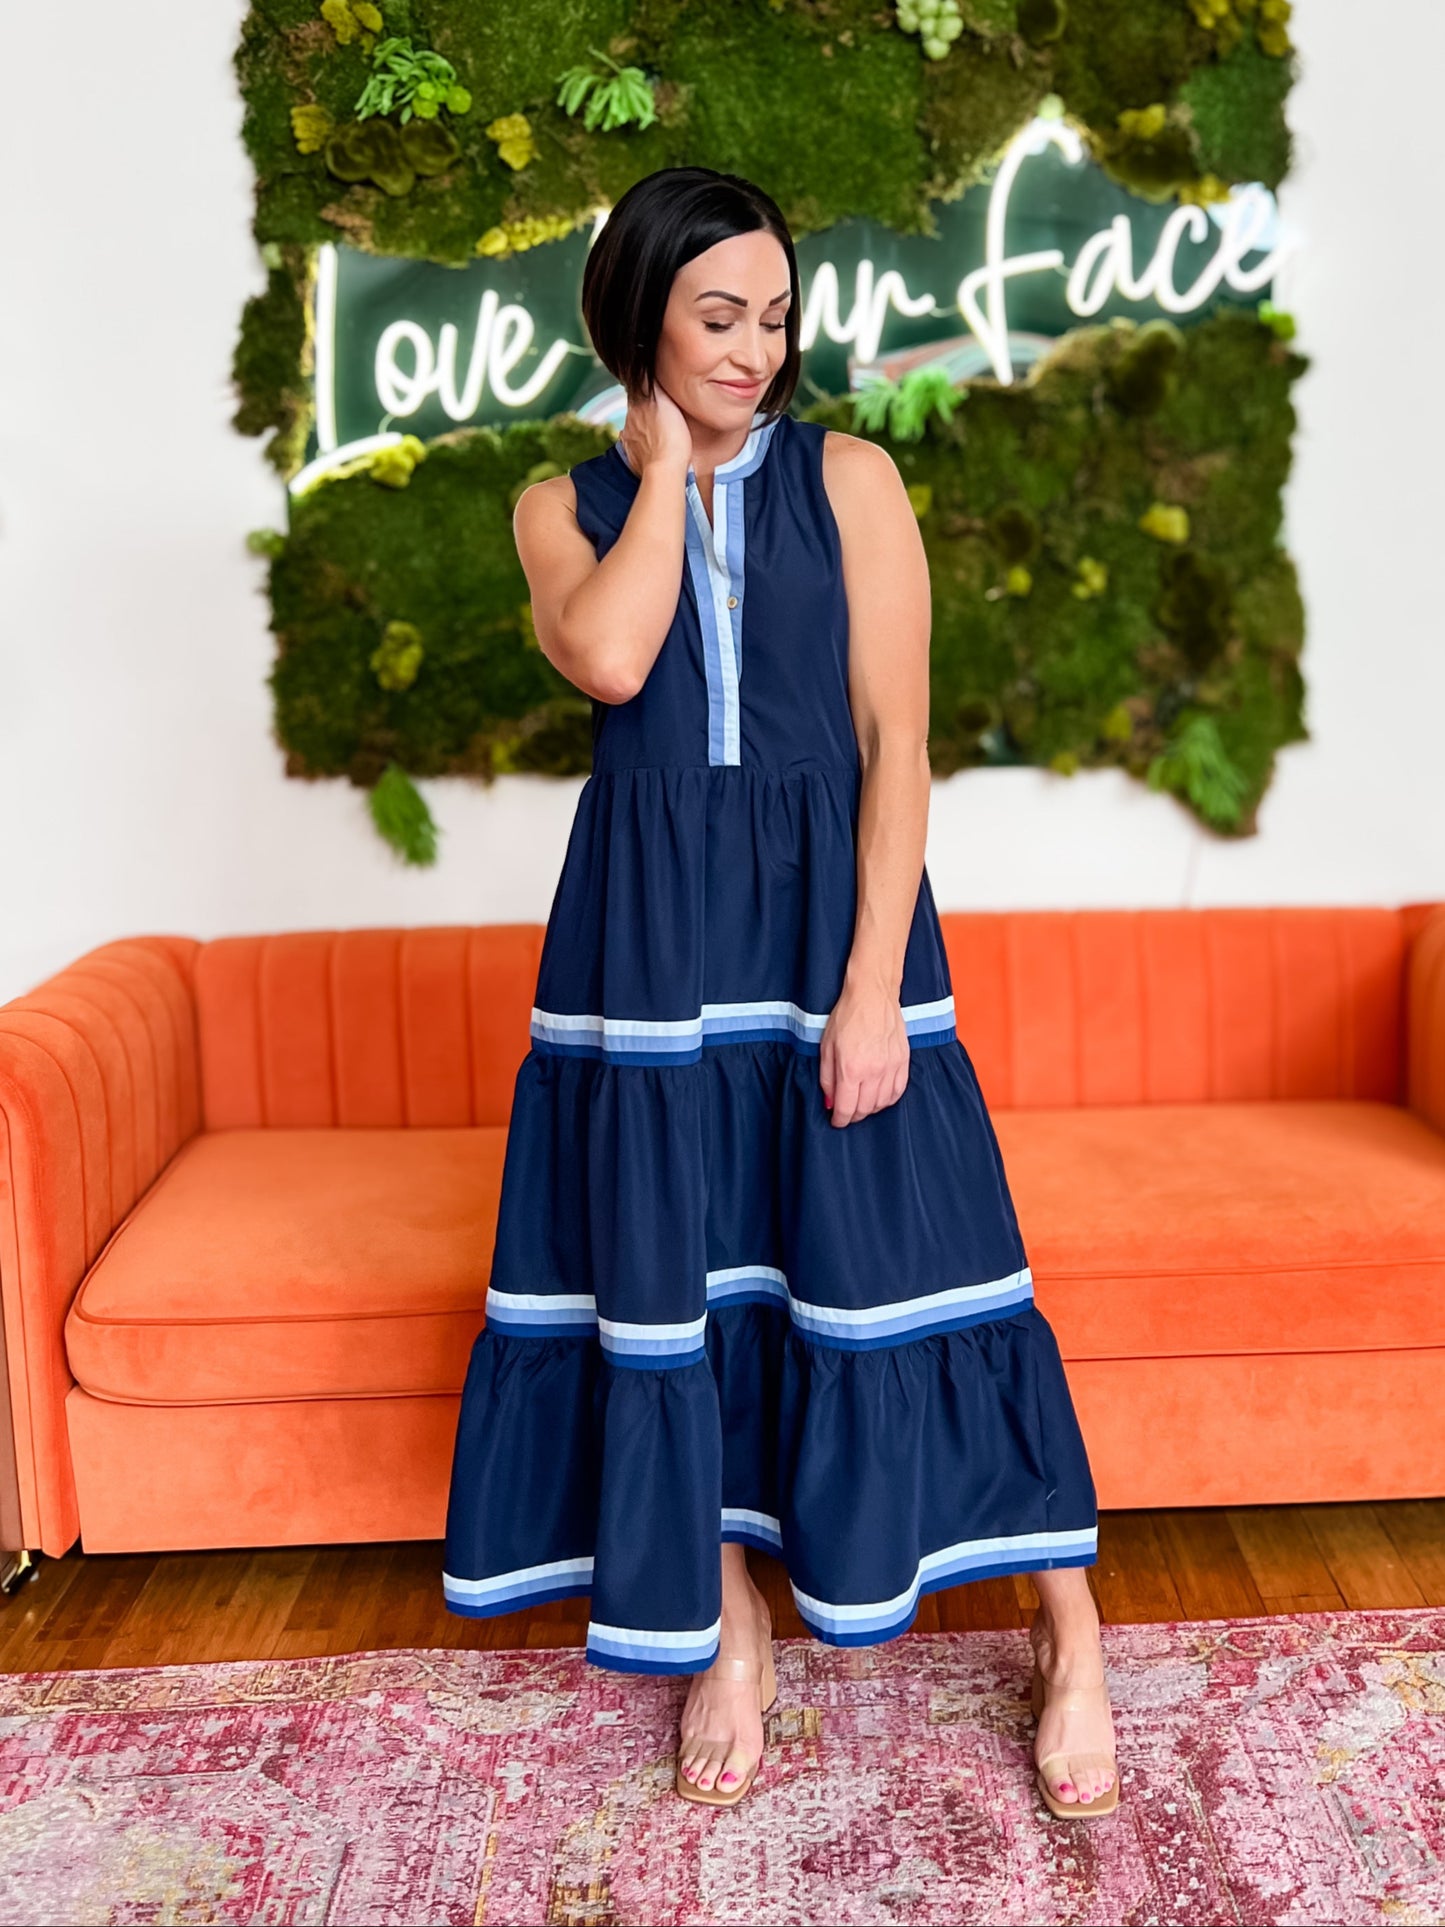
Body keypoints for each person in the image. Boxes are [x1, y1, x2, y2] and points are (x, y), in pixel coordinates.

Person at [442, 165, 1118, 1819]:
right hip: (650, 948)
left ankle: (1070, 1636)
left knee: (932, 1265)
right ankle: (730, 1633)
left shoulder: (853, 479)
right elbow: (614, 659)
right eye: (716, 316)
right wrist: (662, 476)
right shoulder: (556, 507)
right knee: (692, 1293)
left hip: (834, 926)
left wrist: (872, 987)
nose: (754, 349)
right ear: (638, 320)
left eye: (775, 317)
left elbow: (898, 741)